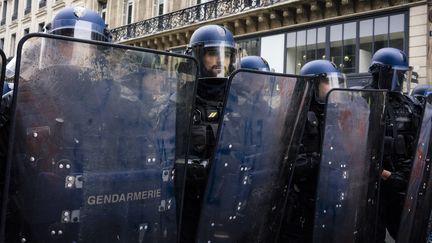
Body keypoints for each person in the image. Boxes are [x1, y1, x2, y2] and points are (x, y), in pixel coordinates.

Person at [176, 24, 239, 243]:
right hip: (190, 203)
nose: (221, 61)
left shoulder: (238, 102)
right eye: (213, 54)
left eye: (227, 55)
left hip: (228, 201)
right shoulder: (180, 102)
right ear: (198, 56)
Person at [280, 59, 346, 243]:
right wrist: (317, 161)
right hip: (302, 204)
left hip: (329, 201)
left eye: (337, 82)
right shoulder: (295, 117)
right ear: (312, 85)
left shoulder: (334, 116)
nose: (335, 88)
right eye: (328, 82)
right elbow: (283, 163)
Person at [365, 47, 423, 242]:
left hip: (403, 186)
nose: (400, 80)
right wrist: (385, 174)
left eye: (403, 74)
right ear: (383, 73)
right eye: (397, 74)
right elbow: (353, 148)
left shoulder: (408, 103)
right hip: (372, 186)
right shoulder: (362, 101)